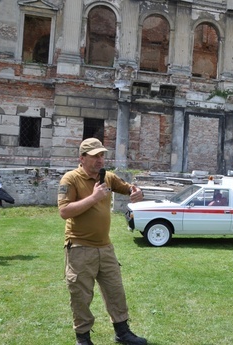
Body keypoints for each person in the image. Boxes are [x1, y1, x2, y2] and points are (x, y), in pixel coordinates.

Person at [58, 138, 147, 345]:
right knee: (81, 295)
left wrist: (136, 191)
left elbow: (128, 188)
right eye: (94, 156)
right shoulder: (70, 179)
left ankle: (122, 332)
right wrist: (94, 197)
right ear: (82, 158)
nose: (100, 160)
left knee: (116, 291)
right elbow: (64, 211)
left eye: (102, 155)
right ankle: (83, 338)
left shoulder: (107, 177)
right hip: (79, 247)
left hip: (105, 247)